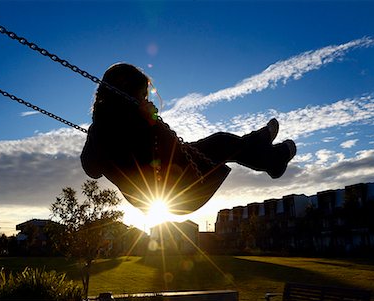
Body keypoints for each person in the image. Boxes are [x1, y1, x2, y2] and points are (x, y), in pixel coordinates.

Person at [81, 63, 296, 215]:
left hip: (173, 180)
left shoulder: (109, 125)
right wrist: (152, 123)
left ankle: (266, 153)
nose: (145, 101)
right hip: (174, 190)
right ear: (125, 94)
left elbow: (93, 170)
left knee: (223, 143)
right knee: (223, 143)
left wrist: (151, 122)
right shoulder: (111, 128)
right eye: (142, 96)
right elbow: (95, 168)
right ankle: (268, 154)